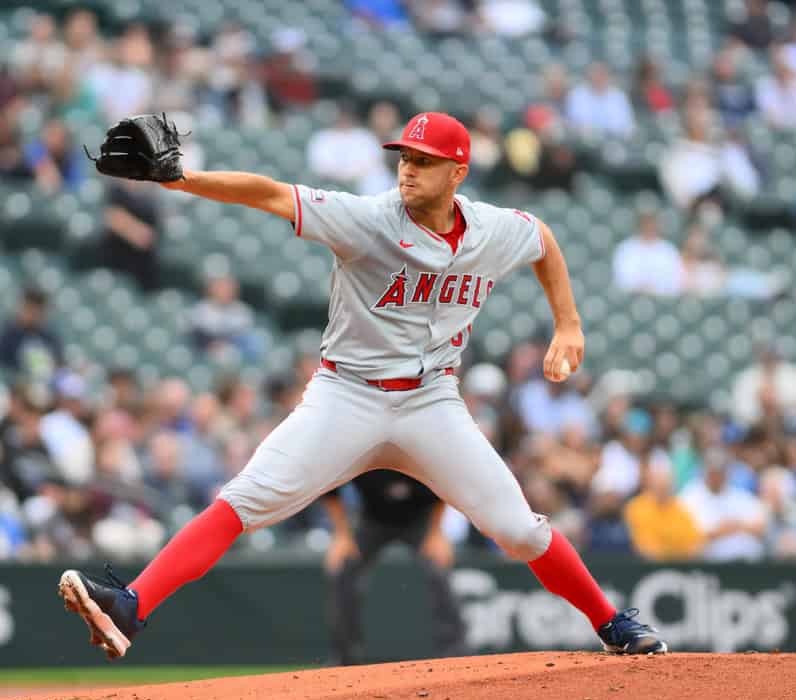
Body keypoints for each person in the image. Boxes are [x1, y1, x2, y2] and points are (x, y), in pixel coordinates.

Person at [59, 110, 668, 659]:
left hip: (432, 401)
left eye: (424, 161)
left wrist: (569, 322)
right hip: (346, 394)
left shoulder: (491, 229)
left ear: (458, 171)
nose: (408, 169)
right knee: (243, 500)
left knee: (518, 527)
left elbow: (544, 240)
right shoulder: (367, 219)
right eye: (404, 157)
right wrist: (182, 180)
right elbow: (271, 194)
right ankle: (130, 608)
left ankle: (612, 623)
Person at [322, 470, 467, 664]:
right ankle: (344, 658)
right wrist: (341, 534)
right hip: (372, 521)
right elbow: (329, 488)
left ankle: (456, 655)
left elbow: (444, 483)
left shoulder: (416, 453)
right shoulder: (363, 453)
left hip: (420, 522)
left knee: (439, 569)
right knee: (343, 568)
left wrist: (436, 532)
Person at [0, 286, 64, 381]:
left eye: (38, 311)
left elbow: (59, 364)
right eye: (29, 309)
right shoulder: (9, 333)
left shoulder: (49, 336)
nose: (33, 315)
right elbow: (0, 364)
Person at [612, 211, 683, 296]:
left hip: (662, 298)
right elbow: (622, 279)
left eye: (652, 224)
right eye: (646, 224)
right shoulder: (626, 248)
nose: (649, 228)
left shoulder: (668, 250)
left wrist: (655, 289)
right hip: (632, 297)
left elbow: (674, 280)